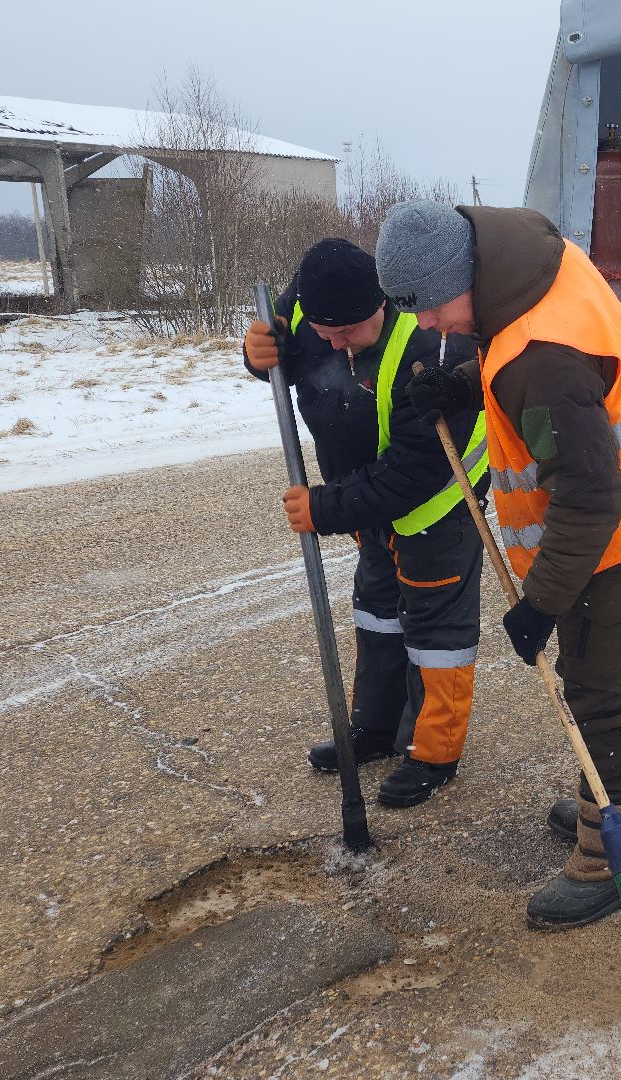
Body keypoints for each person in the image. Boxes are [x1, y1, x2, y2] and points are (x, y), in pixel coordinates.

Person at [376, 201, 621, 928]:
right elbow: (517, 358)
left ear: (462, 275)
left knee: (596, 687)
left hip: (616, 536)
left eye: (430, 308)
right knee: (607, 675)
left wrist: (543, 604)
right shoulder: (528, 265)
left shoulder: (541, 361)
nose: (427, 326)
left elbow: (589, 496)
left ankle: (607, 856)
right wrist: (462, 385)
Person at [242, 238, 489, 808]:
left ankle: (434, 753)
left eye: (347, 333)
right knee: (377, 612)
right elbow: (285, 361)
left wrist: (322, 509)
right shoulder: (308, 302)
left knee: (435, 633)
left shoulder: (430, 347)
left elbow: (408, 476)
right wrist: (258, 356)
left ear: (380, 303)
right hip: (365, 497)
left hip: (438, 502)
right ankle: (374, 730)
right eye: (325, 333)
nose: (332, 344)